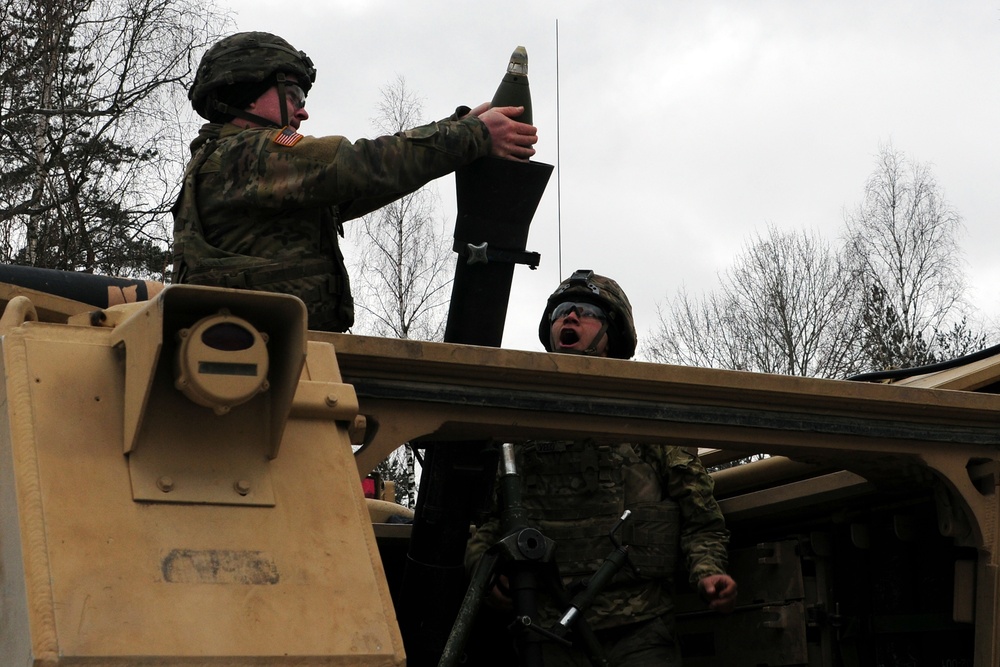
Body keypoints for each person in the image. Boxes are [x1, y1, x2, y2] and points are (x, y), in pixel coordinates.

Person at [171, 31, 537, 332]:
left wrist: (458, 131)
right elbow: (361, 165)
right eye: (293, 95)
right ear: (245, 92)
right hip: (264, 355)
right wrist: (471, 136)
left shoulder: (237, 166)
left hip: (276, 350)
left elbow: (370, 183)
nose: (302, 110)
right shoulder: (246, 155)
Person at [464, 269, 737, 666]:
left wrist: (709, 573)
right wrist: (484, 570)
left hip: (641, 628)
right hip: (548, 629)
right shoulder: (519, 419)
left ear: (613, 334)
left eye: (586, 311)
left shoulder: (648, 416)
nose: (569, 318)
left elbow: (700, 518)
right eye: (561, 311)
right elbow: (487, 520)